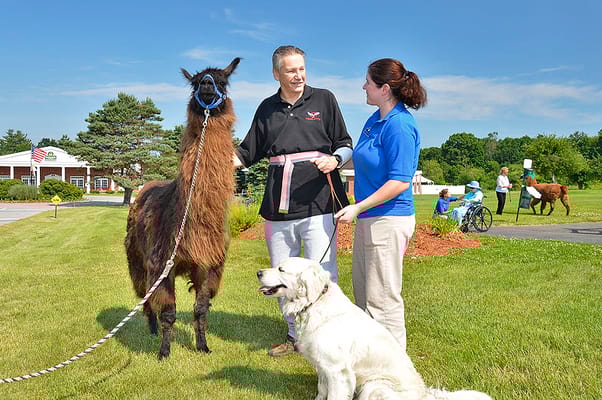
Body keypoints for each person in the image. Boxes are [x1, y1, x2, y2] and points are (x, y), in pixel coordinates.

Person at [233, 45, 353, 357]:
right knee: (280, 274)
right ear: (277, 74)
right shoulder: (266, 108)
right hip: (277, 206)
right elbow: (246, 153)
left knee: (321, 273)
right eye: (291, 70)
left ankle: (328, 338)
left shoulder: (324, 99)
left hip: (318, 201)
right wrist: (212, 160)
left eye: (301, 68)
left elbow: (344, 143)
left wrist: (335, 160)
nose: (298, 75)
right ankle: (294, 336)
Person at [334, 58, 426, 351]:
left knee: (383, 300)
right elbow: (359, 157)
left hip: (388, 220)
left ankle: (395, 375)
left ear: (385, 89)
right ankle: (371, 361)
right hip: (370, 220)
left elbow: (399, 181)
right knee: (364, 295)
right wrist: (333, 160)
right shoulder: (374, 121)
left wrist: (358, 207)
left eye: (368, 83)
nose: (363, 86)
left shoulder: (399, 125)